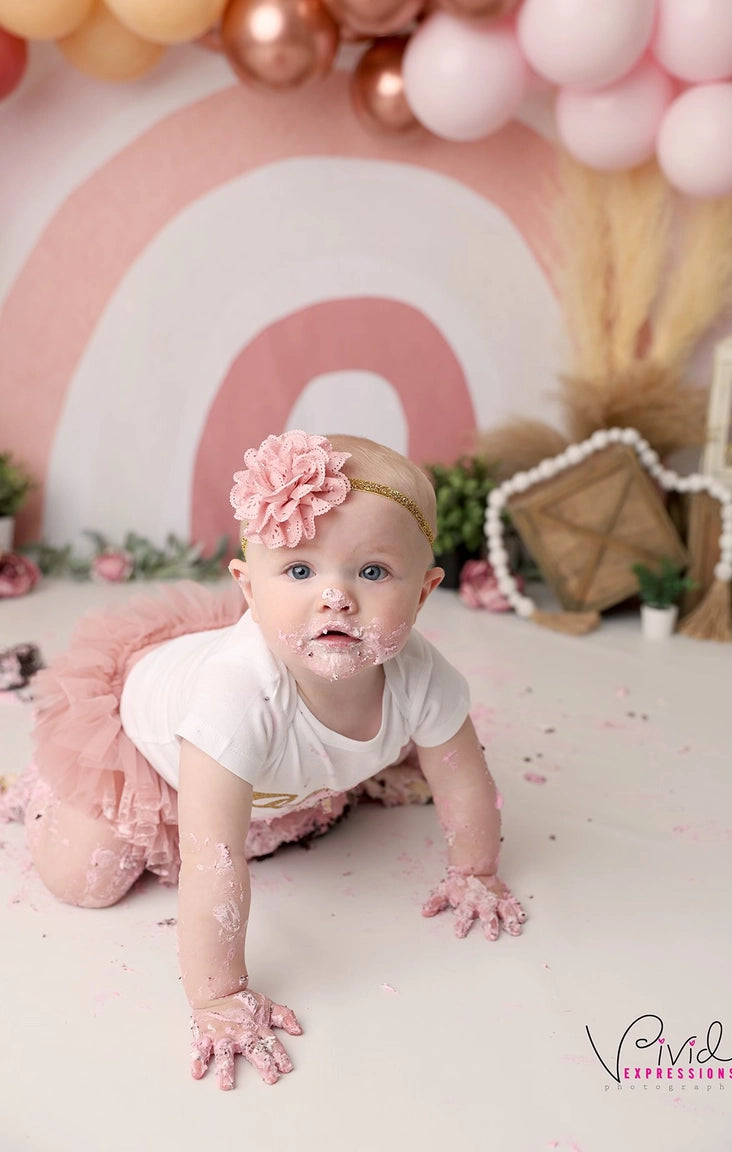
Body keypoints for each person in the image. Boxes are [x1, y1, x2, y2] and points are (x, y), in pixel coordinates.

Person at [14, 430, 526, 1090]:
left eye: (372, 572)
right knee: (83, 880)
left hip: (263, 774)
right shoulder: (235, 696)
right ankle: (40, 791)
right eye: (300, 570)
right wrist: (218, 997)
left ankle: (314, 783)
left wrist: (475, 870)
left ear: (425, 592)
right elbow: (213, 859)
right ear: (248, 587)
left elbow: (465, 781)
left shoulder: (420, 674)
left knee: (354, 768)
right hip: (149, 744)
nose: (335, 597)